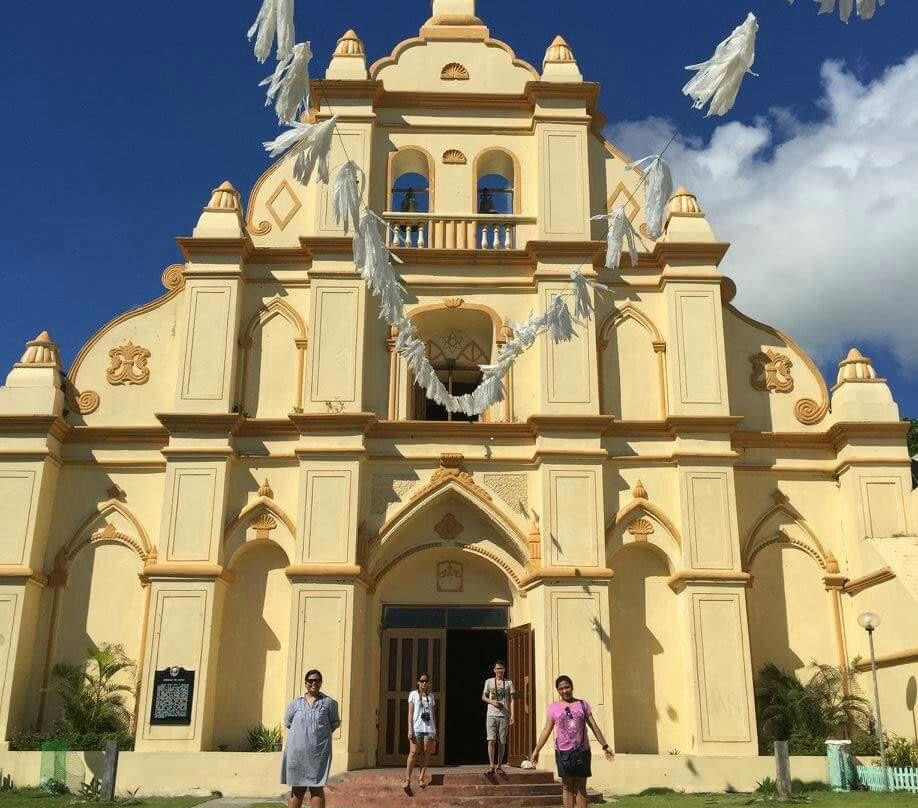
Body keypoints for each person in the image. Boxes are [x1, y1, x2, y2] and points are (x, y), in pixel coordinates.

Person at [529, 675, 614, 808]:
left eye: (567, 687)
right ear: (557, 690)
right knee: (567, 786)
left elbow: (594, 726)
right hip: (563, 753)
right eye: (561, 688)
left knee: (581, 786)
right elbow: (546, 730)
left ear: (572, 687)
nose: (564, 691)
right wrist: (536, 750)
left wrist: (605, 745)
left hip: (582, 751)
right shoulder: (554, 707)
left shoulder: (582, 704)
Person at [282, 670, 341, 808]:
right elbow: (289, 723)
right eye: (310, 680)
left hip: (318, 753)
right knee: (297, 789)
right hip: (297, 754)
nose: (314, 683)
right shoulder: (295, 704)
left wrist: (317, 735)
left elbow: (334, 724)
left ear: (321, 682)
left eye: (317, 680)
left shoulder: (329, 703)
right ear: (305, 683)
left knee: (316, 788)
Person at [403, 672, 437, 791]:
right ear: (418, 682)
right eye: (422, 681)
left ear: (428, 683)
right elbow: (410, 713)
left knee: (425, 753)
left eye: (426, 681)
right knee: (413, 752)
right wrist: (410, 729)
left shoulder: (431, 696)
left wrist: (435, 730)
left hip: (428, 729)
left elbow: (432, 714)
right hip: (417, 728)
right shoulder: (413, 694)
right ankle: (407, 779)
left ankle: (421, 777)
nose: (424, 683)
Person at [481, 660, 515, 776]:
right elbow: (483, 697)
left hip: (504, 714)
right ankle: (491, 765)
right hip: (491, 714)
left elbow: (512, 700)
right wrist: (492, 702)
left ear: (504, 670)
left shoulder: (509, 682)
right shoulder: (489, 682)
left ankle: (499, 765)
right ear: (494, 670)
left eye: (501, 669)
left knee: (502, 741)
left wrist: (512, 715)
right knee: (491, 740)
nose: (499, 671)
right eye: (497, 669)